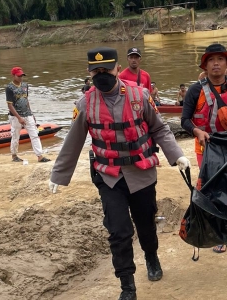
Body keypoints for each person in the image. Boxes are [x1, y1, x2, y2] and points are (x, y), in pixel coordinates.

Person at [48, 47, 191, 300]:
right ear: (89, 72)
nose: (102, 74)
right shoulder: (85, 103)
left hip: (142, 172)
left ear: (117, 68)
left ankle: (151, 256)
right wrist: (58, 175)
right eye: (96, 71)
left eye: (107, 69)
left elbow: (160, 129)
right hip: (109, 176)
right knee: (118, 231)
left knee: (146, 225)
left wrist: (176, 154)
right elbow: (73, 141)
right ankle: (127, 285)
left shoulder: (140, 95)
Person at [181, 43, 227, 254]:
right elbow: (185, 120)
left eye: (220, 59)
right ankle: (221, 234)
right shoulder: (196, 90)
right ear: (205, 65)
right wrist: (197, 132)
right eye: (211, 60)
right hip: (208, 146)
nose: (216, 63)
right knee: (213, 191)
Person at [5, 66, 51, 163]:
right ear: (13, 76)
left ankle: (40, 156)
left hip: (27, 114)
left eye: (22, 76)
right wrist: (19, 118)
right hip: (15, 116)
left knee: (34, 134)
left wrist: (31, 113)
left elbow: (26, 100)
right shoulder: (9, 88)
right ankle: (14, 155)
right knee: (15, 136)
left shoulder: (25, 85)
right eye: (19, 76)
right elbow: (10, 105)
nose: (21, 78)